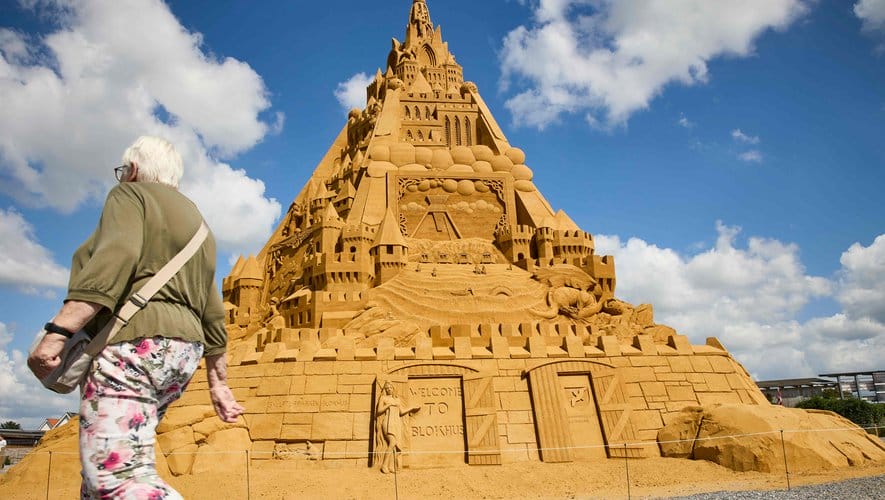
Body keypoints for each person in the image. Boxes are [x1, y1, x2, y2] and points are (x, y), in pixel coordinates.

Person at [27, 136, 245, 499]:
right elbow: (211, 305)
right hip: (181, 356)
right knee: (100, 474)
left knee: (116, 478)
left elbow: (115, 258)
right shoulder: (199, 223)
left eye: (122, 171)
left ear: (133, 169)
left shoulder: (130, 195)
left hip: (133, 348)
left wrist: (58, 331)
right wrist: (218, 381)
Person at [374, 381, 419, 473]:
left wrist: (411, 408)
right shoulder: (383, 398)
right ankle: (384, 465)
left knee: (395, 446)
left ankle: (391, 467)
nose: (389, 389)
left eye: (390, 388)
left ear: (393, 388)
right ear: (385, 390)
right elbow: (379, 411)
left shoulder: (397, 400)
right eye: (387, 388)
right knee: (392, 442)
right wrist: (389, 404)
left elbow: (401, 412)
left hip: (396, 423)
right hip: (388, 422)